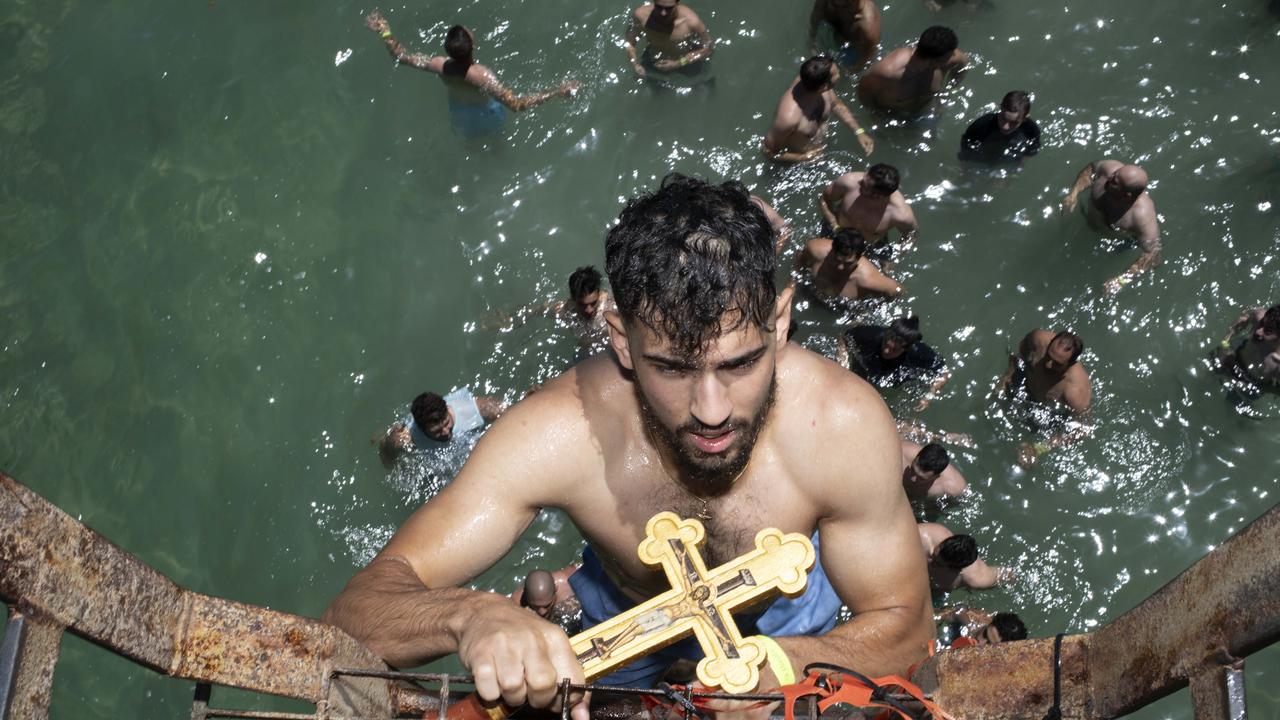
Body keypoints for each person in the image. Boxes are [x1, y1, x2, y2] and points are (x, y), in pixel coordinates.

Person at [325, 174, 933, 716]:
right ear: (620, 341)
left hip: (789, 615)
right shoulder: (559, 433)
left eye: (742, 363)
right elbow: (352, 615)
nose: (712, 411)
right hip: (625, 620)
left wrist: (790, 665)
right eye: (671, 369)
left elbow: (907, 629)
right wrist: (470, 616)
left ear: (778, 324)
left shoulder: (841, 423)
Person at [364, 13, 577, 138]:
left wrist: (384, 31)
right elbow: (518, 105)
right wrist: (557, 91)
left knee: (471, 143)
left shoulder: (439, 65)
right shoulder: (483, 76)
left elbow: (400, 56)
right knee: (495, 145)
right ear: (473, 45)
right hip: (487, 114)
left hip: (459, 113)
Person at [1061, 159, 1162, 294]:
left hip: (1116, 240)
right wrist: (1073, 194)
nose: (1109, 177)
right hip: (1091, 222)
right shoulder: (1110, 169)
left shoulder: (1141, 216)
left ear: (1127, 195)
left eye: (1115, 181)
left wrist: (1121, 281)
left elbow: (1153, 254)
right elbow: (1091, 169)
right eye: (1115, 174)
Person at [996, 330, 1092, 466]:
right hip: (1026, 384)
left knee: (1025, 462)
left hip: (1049, 413)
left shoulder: (1075, 391)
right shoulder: (1038, 339)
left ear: (1070, 364)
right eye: (1048, 356)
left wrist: (1039, 448)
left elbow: (1082, 429)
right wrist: (1010, 372)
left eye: (1057, 364)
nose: (1048, 364)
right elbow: (1021, 350)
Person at [763, 56, 874, 164]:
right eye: (837, 74)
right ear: (824, 86)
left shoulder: (815, 82)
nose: (839, 74)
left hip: (820, 148)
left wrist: (859, 131)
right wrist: (804, 158)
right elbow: (768, 151)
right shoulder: (788, 118)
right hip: (799, 162)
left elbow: (836, 105)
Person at [376, 389, 507, 468]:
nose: (445, 432)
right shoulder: (407, 437)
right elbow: (386, 448)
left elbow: (510, 414)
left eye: (446, 422)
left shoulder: (474, 408)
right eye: (436, 431)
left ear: (448, 410)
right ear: (421, 429)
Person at [839, 316, 950, 408]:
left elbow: (944, 372)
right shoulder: (872, 336)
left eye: (894, 350)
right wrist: (843, 362)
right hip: (870, 360)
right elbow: (844, 337)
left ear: (906, 348)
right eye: (886, 344)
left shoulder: (918, 353)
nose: (886, 351)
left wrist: (929, 396)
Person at [857, 26, 969, 114]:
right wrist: (874, 115)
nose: (954, 55)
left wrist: (951, 88)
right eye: (950, 54)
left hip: (924, 109)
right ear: (936, 60)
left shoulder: (947, 60)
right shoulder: (888, 72)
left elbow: (964, 63)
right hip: (891, 114)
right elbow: (863, 91)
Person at [818, 164, 918, 263]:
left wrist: (895, 259)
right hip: (836, 231)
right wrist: (834, 224)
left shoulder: (900, 214)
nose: (859, 183)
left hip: (871, 245)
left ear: (879, 195)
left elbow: (911, 235)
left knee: (883, 274)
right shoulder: (848, 182)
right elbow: (824, 200)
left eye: (865, 186)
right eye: (864, 179)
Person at [794, 228, 902, 300]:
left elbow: (897, 291)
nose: (840, 267)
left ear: (859, 258)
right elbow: (800, 257)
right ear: (830, 251)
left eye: (847, 263)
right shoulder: (814, 249)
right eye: (836, 259)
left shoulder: (867, 280)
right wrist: (795, 284)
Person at [624, 0, 713, 79]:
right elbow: (630, 43)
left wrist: (678, 63)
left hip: (686, 62)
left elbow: (708, 49)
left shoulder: (691, 22)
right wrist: (635, 64)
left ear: (677, 3)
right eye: (659, 8)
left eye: (669, 8)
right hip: (654, 60)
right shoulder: (640, 16)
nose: (663, 13)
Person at [918, 523, 1007, 592]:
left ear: (957, 569)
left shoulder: (976, 577)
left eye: (938, 564)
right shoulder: (925, 534)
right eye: (934, 555)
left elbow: (1005, 574)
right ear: (942, 543)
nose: (931, 561)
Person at [959, 91, 1042, 164]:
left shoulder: (1031, 130)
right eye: (1003, 118)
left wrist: (1019, 165)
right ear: (1001, 108)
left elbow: (1031, 150)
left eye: (1014, 123)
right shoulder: (981, 125)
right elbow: (966, 145)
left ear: (1024, 118)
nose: (1005, 127)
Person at [1215, 304, 1280, 392]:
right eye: (1262, 323)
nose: (1258, 331)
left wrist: (1261, 388)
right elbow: (1247, 312)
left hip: (1249, 384)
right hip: (1231, 358)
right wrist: (1225, 345)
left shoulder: (1277, 363)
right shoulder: (1258, 315)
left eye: (1267, 331)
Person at [807, 0, 881, 70]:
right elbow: (815, 18)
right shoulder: (828, 2)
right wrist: (812, 42)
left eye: (835, 4)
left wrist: (846, 73)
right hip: (834, 34)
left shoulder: (866, 27)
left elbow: (865, 61)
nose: (830, 5)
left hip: (851, 51)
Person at [514, 567, 584, 635]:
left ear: (556, 589)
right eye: (535, 606)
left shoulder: (570, 581)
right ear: (526, 597)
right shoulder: (517, 601)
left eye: (547, 605)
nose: (542, 612)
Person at [900, 441, 966, 501]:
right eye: (912, 470)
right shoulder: (901, 451)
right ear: (917, 456)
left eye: (921, 478)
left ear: (936, 476)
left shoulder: (952, 487)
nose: (913, 479)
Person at [936, 607, 1027, 648]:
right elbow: (948, 613)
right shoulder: (973, 619)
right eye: (985, 634)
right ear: (990, 622)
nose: (980, 642)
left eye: (989, 644)